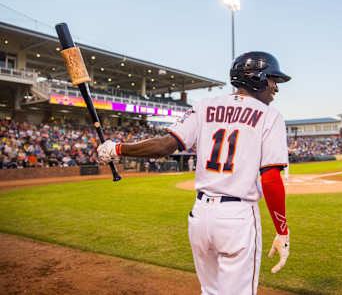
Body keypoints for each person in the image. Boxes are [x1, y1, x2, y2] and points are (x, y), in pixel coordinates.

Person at [97, 51, 291, 295]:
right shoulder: (270, 116)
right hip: (237, 218)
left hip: (200, 217)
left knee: (209, 292)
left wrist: (117, 148)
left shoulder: (204, 106)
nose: (275, 87)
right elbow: (271, 178)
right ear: (257, 78)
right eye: (273, 80)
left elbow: (164, 146)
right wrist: (282, 231)